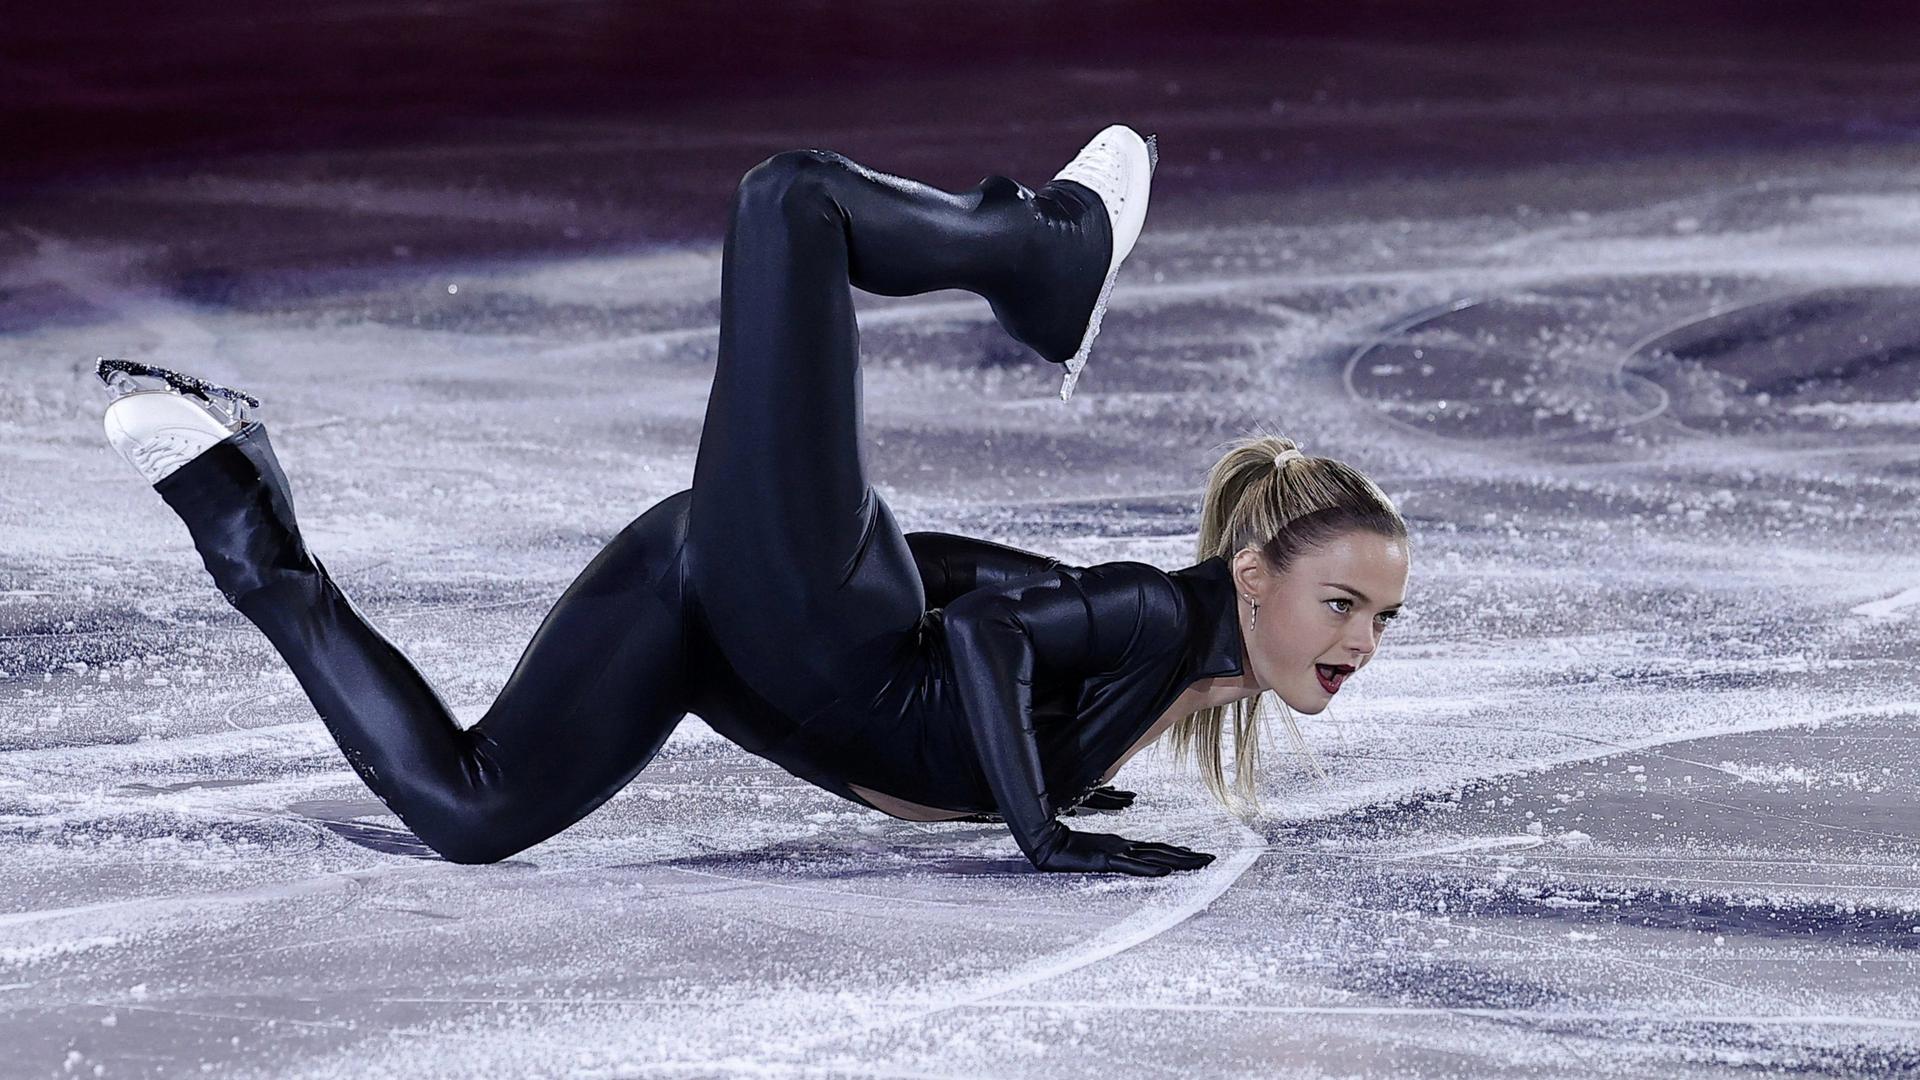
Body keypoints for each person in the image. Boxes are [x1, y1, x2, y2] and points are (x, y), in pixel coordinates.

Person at [96, 126, 1411, 876]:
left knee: (474, 810)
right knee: (791, 206)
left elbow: (970, 594)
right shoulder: (1152, 616)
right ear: (1252, 571)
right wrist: (1037, 830)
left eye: (1378, 620)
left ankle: (237, 514)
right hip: (801, 627)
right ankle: (1047, 251)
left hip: (739, 624)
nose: (1358, 641)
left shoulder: (1164, 667)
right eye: (1342, 603)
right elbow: (982, 633)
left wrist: (1046, 771)